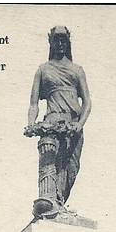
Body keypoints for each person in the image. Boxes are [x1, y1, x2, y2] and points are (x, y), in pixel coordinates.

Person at [26, 26, 92, 216]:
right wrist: (31, 123)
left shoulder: (77, 70)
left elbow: (87, 102)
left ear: (68, 42)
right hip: (52, 122)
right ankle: (47, 201)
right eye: (57, 39)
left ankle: (58, 202)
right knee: (49, 156)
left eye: (64, 40)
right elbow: (33, 103)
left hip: (73, 125)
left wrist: (79, 124)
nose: (60, 43)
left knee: (70, 168)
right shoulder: (43, 70)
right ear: (51, 42)